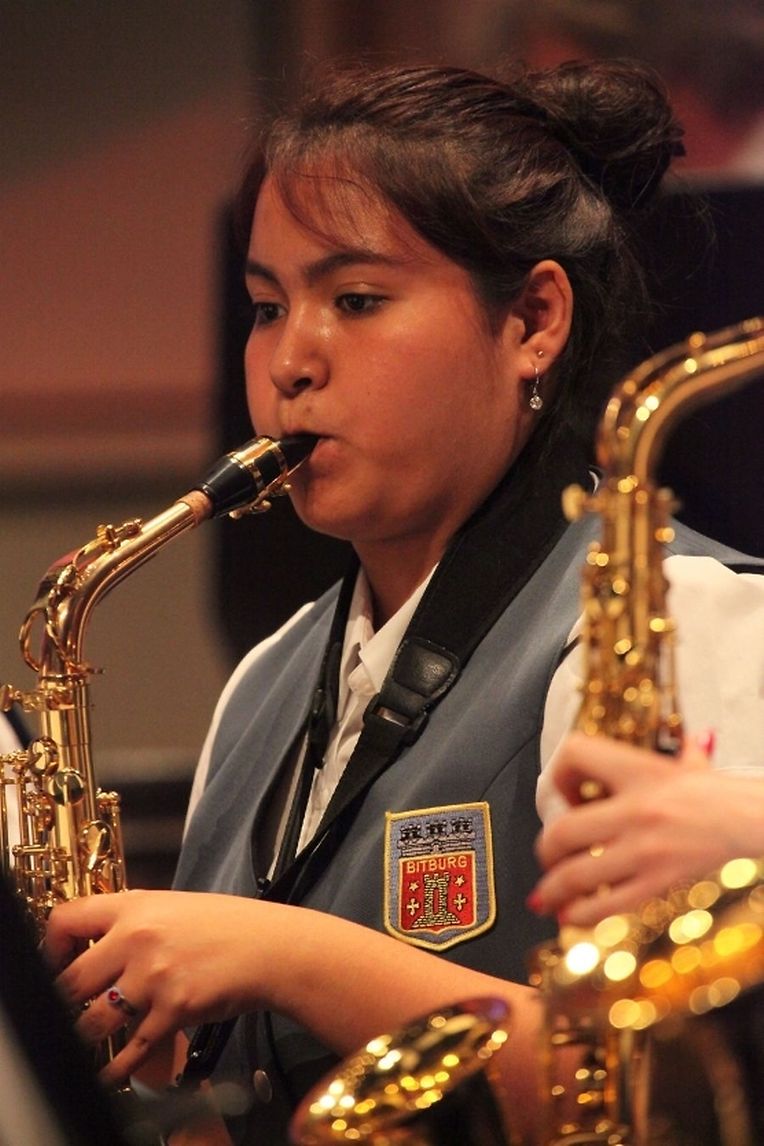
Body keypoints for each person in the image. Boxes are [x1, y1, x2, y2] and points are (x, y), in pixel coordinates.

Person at [41, 59, 764, 1144]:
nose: (290, 362)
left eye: (357, 301)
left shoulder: (675, 622)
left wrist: (286, 957)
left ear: (532, 320)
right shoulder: (266, 681)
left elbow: (669, 1093)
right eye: (265, 308)